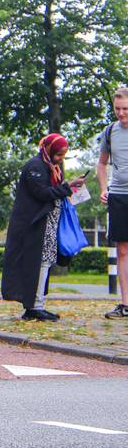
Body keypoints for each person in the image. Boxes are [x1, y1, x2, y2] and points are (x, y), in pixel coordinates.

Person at [1, 133, 86, 321]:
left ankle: (36, 304)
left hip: (47, 223)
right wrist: (68, 186)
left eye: (63, 156)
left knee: (44, 262)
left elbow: (52, 191)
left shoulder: (51, 167)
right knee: (39, 263)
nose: (60, 159)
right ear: (49, 150)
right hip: (35, 224)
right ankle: (34, 306)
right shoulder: (35, 166)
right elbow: (42, 192)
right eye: (58, 155)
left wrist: (69, 186)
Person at [98, 86, 128, 319]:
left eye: (125, 109)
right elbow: (102, 164)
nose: (121, 113)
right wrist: (103, 188)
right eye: (117, 109)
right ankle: (125, 304)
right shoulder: (109, 132)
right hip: (118, 195)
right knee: (122, 250)